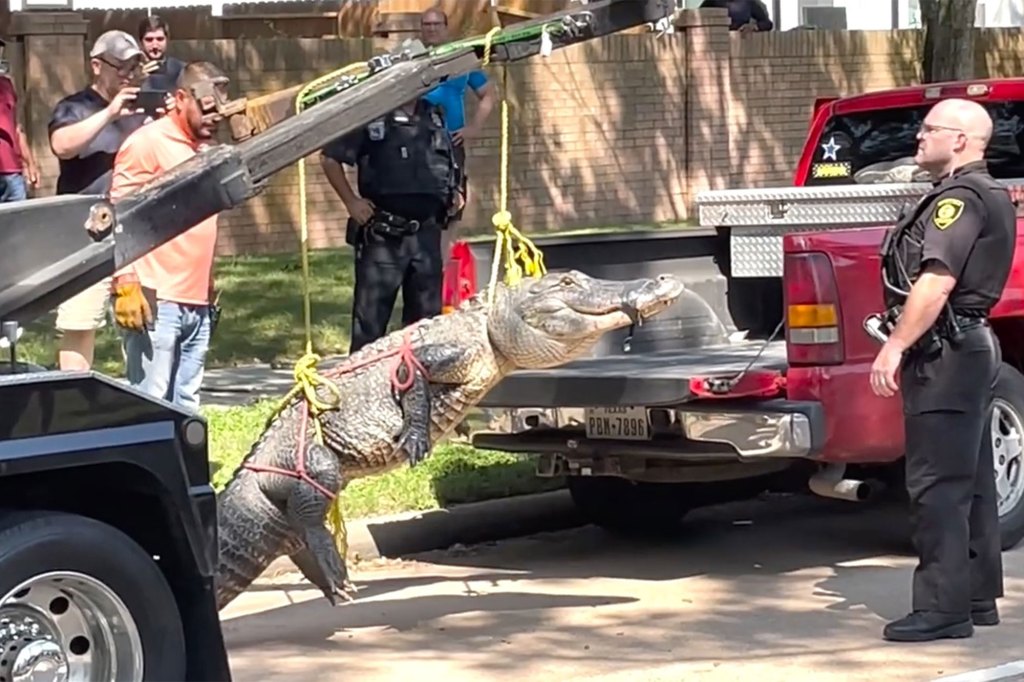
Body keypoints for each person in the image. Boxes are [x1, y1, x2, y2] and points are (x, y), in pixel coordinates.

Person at [869, 98, 1014, 642]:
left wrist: (896, 346)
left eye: (929, 128)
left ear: (960, 140)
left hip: (947, 352)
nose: (917, 135)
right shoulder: (983, 193)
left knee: (936, 485)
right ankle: (975, 596)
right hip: (968, 345)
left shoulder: (961, 199)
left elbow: (936, 280)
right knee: (972, 481)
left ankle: (942, 609)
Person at [108, 61, 229, 412]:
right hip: (155, 300)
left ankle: (184, 468)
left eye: (219, 113)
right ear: (180, 98)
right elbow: (118, 214)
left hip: (196, 302)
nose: (214, 118)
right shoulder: (147, 142)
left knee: (187, 404)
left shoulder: (201, 150)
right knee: (151, 404)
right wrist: (125, 282)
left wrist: (207, 283)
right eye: (207, 110)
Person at [320, 96, 463, 353]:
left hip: (426, 236)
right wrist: (351, 202)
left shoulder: (433, 115)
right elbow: (330, 158)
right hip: (384, 236)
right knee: (370, 324)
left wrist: (453, 193)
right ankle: (361, 384)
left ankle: (419, 385)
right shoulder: (372, 113)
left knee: (426, 327)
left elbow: (448, 160)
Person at [48, 29, 149, 371]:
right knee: (80, 324)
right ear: (97, 65)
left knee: (144, 321)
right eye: (122, 67)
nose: (129, 75)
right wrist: (110, 114)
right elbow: (62, 145)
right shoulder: (75, 107)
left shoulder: (142, 110)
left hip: (138, 227)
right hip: (86, 233)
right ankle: (72, 402)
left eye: (135, 67)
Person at [418, 6, 495, 263]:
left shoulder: (462, 60)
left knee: (453, 204)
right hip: (418, 144)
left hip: (452, 142)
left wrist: (474, 128)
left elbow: (488, 95)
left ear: (445, 27)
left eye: (436, 24)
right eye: (426, 24)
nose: (431, 29)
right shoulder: (412, 61)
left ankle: (442, 266)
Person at [0, 37, 38, 201]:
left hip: (13, 173)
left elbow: (17, 127)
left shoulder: (7, 85)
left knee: (19, 224)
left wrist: (30, 163)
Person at [137, 15, 186, 93]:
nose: (155, 45)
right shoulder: (129, 72)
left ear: (167, 40)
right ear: (140, 42)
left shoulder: (181, 69)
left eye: (160, 39)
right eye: (149, 40)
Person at [699, 0, 774, 31]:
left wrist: (754, 26)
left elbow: (768, 24)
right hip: (717, 42)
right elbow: (696, 18)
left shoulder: (748, 2)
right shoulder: (714, 1)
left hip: (740, 43)